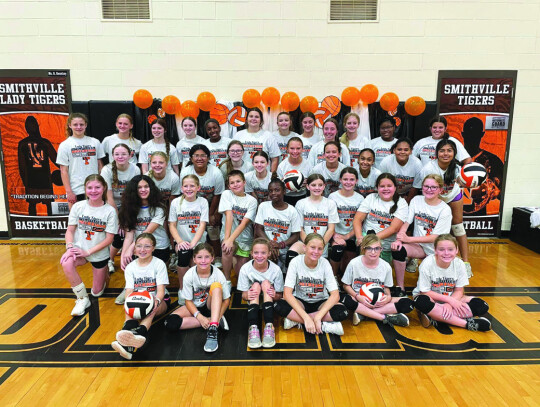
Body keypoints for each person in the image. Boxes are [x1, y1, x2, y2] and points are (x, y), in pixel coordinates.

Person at [412, 139, 472, 277]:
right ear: (436, 153)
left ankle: (466, 263)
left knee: (458, 227)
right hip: (434, 197)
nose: (445, 153)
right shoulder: (428, 168)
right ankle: (414, 258)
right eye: (442, 150)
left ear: (454, 153)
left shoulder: (458, 169)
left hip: (453, 196)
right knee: (423, 224)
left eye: (449, 151)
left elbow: (467, 184)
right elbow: (425, 189)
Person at [60, 174, 117, 316]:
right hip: (79, 250)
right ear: (85, 189)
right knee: (66, 262)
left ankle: (104, 278)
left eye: (97, 187)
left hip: (98, 253)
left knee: (97, 293)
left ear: (104, 188)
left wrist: (89, 252)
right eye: (89, 187)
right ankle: (82, 298)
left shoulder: (109, 211)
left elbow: (109, 239)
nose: (93, 191)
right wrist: (69, 248)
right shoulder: (78, 206)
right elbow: (70, 230)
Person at [413, 234, 491, 332]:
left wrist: (449, 304)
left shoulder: (459, 264)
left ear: (456, 250)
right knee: (421, 302)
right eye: (441, 249)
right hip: (431, 299)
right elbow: (425, 292)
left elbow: (459, 290)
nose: (446, 253)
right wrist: (450, 301)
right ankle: (466, 324)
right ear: (435, 250)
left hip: (452, 298)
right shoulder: (427, 264)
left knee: (481, 305)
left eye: (450, 249)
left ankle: (436, 316)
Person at [274, 233, 349, 336]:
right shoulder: (295, 262)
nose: (316, 252)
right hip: (300, 300)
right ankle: (323, 325)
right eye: (312, 247)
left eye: (320, 249)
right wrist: (306, 318)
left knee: (342, 311)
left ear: (323, 250)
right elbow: (287, 294)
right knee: (279, 305)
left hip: (320, 302)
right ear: (304, 247)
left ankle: (297, 321)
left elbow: (335, 295)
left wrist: (318, 317)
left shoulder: (325, 264)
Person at [111, 233, 170, 360]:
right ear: (135, 248)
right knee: (130, 303)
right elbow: (129, 290)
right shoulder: (131, 267)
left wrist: (156, 301)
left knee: (151, 306)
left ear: (153, 248)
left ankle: (140, 333)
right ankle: (128, 345)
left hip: (160, 301)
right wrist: (128, 304)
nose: (142, 250)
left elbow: (161, 291)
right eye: (139, 246)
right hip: (138, 300)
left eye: (147, 246)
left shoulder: (159, 264)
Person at [164, 243, 231, 353]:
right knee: (170, 323)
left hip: (211, 306)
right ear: (194, 259)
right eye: (199, 257)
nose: (203, 261)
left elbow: (226, 300)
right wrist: (200, 317)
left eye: (207, 257)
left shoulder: (218, 274)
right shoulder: (189, 275)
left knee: (216, 287)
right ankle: (210, 321)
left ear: (212, 258)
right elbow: (188, 301)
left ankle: (213, 329)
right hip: (195, 307)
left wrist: (218, 315)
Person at [391, 174, 452, 293]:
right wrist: (399, 239)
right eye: (426, 186)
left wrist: (408, 239)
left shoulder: (444, 209)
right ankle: (400, 288)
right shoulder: (416, 200)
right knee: (398, 249)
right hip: (419, 247)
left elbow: (436, 238)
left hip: (436, 250)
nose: (429, 190)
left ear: (440, 189)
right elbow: (407, 222)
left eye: (433, 187)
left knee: (430, 289)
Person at [116, 175, 170, 304]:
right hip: (138, 248)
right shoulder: (129, 209)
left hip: (159, 247)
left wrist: (131, 248)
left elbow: (148, 232)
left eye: (146, 186)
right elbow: (129, 235)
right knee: (132, 265)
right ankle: (128, 287)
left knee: (153, 284)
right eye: (139, 187)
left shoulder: (159, 208)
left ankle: (160, 289)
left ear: (151, 188)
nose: (143, 190)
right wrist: (124, 255)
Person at [341, 234, 414, 327]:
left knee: (408, 303)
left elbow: (386, 287)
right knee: (345, 299)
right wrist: (357, 296)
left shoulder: (386, 266)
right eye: (369, 248)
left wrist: (388, 297)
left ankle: (363, 314)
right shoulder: (354, 263)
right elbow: (345, 285)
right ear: (363, 249)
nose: (373, 252)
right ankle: (384, 317)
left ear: (381, 250)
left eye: (377, 248)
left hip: (379, 301)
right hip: (359, 300)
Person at [353, 173, 408, 286]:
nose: (386, 189)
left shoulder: (401, 203)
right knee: (364, 275)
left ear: (395, 187)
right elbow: (357, 220)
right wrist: (359, 237)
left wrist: (371, 241)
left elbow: (394, 228)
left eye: (389, 186)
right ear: (377, 188)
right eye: (382, 186)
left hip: (384, 245)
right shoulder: (371, 198)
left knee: (378, 278)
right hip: (365, 240)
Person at [100, 143, 141, 273]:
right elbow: (109, 196)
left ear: (130, 155)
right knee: (118, 234)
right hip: (111, 205)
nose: (120, 156)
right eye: (117, 154)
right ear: (112, 156)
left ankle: (129, 259)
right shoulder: (106, 170)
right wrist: (119, 221)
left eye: (124, 154)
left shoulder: (135, 169)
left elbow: (135, 194)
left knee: (130, 232)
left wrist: (127, 215)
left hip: (129, 204)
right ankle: (110, 260)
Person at [169, 174, 209, 304]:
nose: (189, 188)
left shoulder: (202, 202)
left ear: (198, 187)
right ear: (181, 188)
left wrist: (193, 243)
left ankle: (197, 290)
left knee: (196, 262)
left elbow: (202, 224)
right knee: (184, 255)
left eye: (192, 186)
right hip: (182, 241)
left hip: (198, 241)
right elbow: (172, 225)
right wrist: (180, 241)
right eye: (186, 186)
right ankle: (183, 290)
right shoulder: (176, 203)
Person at [237, 238, 284, 348]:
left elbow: (280, 295)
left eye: (263, 253)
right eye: (256, 252)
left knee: (266, 284)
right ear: (251, 253)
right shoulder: (245, 269)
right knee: (256, 285)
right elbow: (243, 295)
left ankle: (269, 326)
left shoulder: (276, 270)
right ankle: (253, 327)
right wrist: (248, 295)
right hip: (254, 297)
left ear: (269, 254)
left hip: (269, 299)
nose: (259, 256)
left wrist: (274, 294)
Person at [57, 113, 105, 209]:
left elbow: (100, 166)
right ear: (70, 125)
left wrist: (103, 185)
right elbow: (63, 170)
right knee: (77, 221)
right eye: (75, 124)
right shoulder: (65, 145)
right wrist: (69, 191)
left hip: (94, 188)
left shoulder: (95, 142)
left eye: (81, 124)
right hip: (76, 189)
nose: (79, 127)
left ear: (86, 125)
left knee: (96, 219)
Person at [219, 170, 258, 287]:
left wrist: (230, 240)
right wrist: (227, 239)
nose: (235, 184)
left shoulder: (252, 201)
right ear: (228, 185)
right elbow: (229, 215)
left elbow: (244, 223)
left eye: (238, 181)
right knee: (227, 249)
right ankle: (226, 281)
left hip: (246, 239)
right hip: (228, 235)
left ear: (244, 182)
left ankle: (235, 262)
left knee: (240, 273)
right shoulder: (226, 194)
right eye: (232, 183)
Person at [254, 175, 302, 270]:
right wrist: (270, 245)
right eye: (270, 191)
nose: (273, 193)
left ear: (284, 191)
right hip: (267, 248)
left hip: (285, 250)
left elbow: (296, 235)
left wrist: (280, 245)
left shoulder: (292, 211)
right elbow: (258, 229)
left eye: (277, 190)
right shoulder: (263, 206)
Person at [289, 174, 340, 259]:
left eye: (320, 185)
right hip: (304, 243)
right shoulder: (301, 203)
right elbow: (300, 228)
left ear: (324, 186)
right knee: (290, 254)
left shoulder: (330, 203)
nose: (317, 188)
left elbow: (331, 229)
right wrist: (309, 245)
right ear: (308, 187)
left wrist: (320, 245)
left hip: (322, 244)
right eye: (313, 185)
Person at [460, 117, 504, 215]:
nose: (472, 138)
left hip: (480, 215)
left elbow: (502, 193)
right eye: (469, 134)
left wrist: (491, 189)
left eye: (475, 134)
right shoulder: (452, 158)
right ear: (463, 134)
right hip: (453, 210)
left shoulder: (493, 160)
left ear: (482, 135)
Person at [17, 115, 59, 216]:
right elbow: (57, 160)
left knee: (33, 206)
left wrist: (25, 182)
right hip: (44, 180)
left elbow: (22, 167)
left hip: (32, 181)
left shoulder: (22, 143)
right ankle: (52, 230)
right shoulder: (45, 142)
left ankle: (33, 230)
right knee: (49, 206)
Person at [328, 167, 364, 277]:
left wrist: (347, 236)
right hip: (335, 234)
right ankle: (333, 279)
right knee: (337, 250)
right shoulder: (332, 197)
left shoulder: (360, 199)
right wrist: (335, 236)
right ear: (340, 180)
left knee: (345, 270)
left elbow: (361, 223)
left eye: (352, 180)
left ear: (356, 181)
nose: (348, 182)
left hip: (352, 235)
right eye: (345, 179)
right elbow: (329, 221)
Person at [233, 107, 280, 171]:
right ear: (246, 119)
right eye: (251, 116)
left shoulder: (268, 136)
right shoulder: (238, 135)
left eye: (256, 117)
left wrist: (272, 176)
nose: (253, 119)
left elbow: (275, 158)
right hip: (241, 175)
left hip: (263, 176)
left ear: (261, 120)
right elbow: (232, 155)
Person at [379, 138, 423, 202]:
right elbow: (382, 184)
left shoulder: (417, 164)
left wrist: (407, 202)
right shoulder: (386, 162)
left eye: (406, 150)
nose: (402, 152)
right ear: (394, 150)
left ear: (411, 151)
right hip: (389, 194)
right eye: (399, 149)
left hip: (408, 195)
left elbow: (415, 187)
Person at [276, 137, 312, 206]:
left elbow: (313, 185)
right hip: (286, 198)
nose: (295, 151)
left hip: (303, 197)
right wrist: (281, 185)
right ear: (287, 149)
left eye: (298, 148)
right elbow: (278, 187)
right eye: (292, 148)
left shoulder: (308, 165)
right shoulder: (282, 166)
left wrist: (308, 183)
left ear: (302, 149)